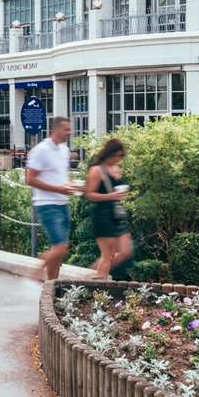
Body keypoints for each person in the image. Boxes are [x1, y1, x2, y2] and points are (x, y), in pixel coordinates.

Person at [26, 116, 84, 282]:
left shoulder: (64, 150)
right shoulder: (41, 150)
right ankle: (34, 272)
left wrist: (75, 186)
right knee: (60, 248)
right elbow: (30, 179)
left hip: (63, 203)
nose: (69, 133)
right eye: (66, 129)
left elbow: (60, 177)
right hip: (46, 204)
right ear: (56, 129)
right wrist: (59, 189)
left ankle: (51, 286)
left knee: (59, 252)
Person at [83, 138, 133, 279]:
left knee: (125, 251)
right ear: (109, 153)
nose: (118, 159)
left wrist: (121, 194)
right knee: (108, 255)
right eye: (116, 155)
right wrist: (111, 196)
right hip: (102, 216)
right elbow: (89, 194)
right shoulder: (96, 170)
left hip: (117, 215)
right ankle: (97, 283)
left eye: (120, 156)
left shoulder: (116, 168)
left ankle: (92, 275)